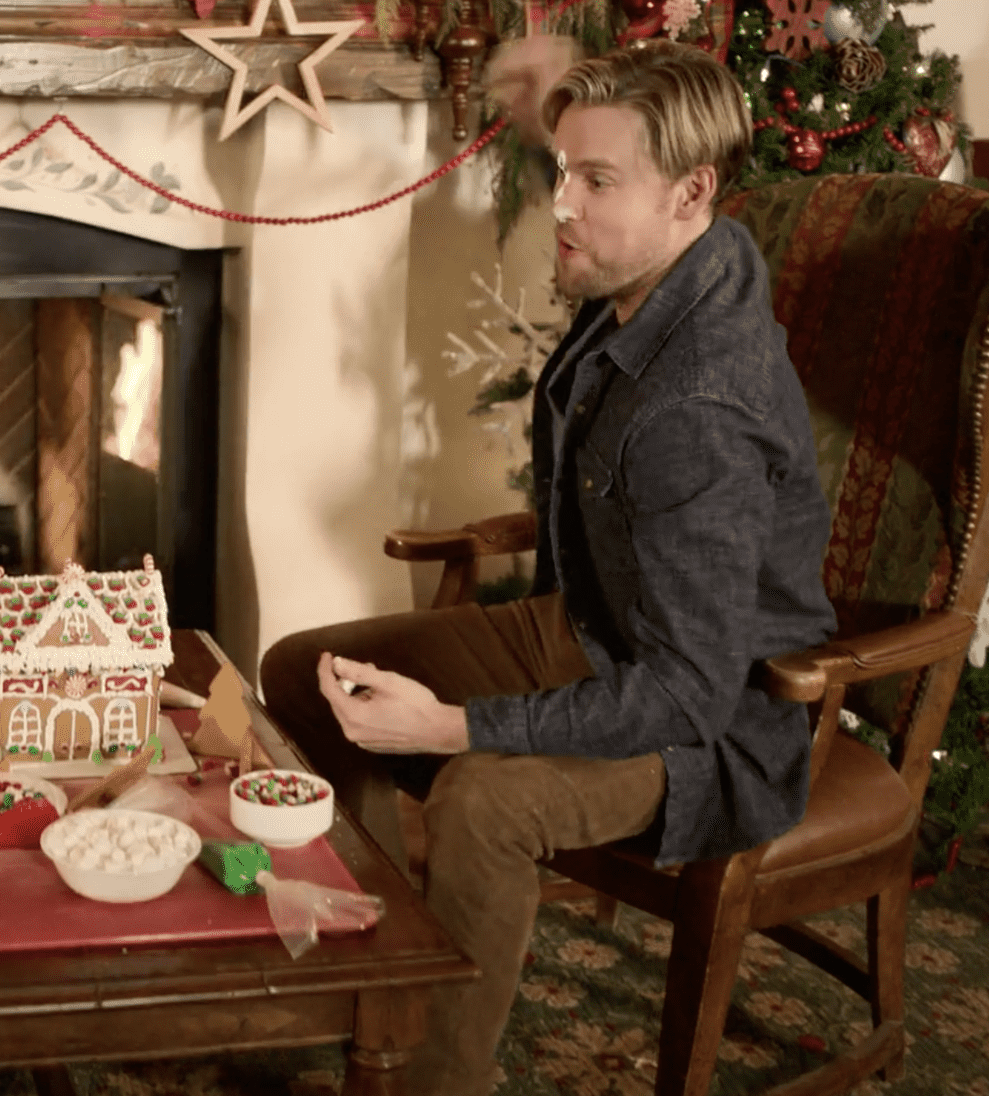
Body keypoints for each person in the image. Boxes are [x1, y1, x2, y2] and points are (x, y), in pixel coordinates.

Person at [257, 40, 837, 1096]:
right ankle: (390, 958)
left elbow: (687, 691)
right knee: (308, 669)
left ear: (692, 190)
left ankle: (430, 1079)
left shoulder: (696, 407)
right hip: (589, 628)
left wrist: (454, 726)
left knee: (483, 797)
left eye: (595, 180)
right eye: (562, 170)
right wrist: (573, 120)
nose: (560, 204)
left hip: (716, 719)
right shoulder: (674, 260)